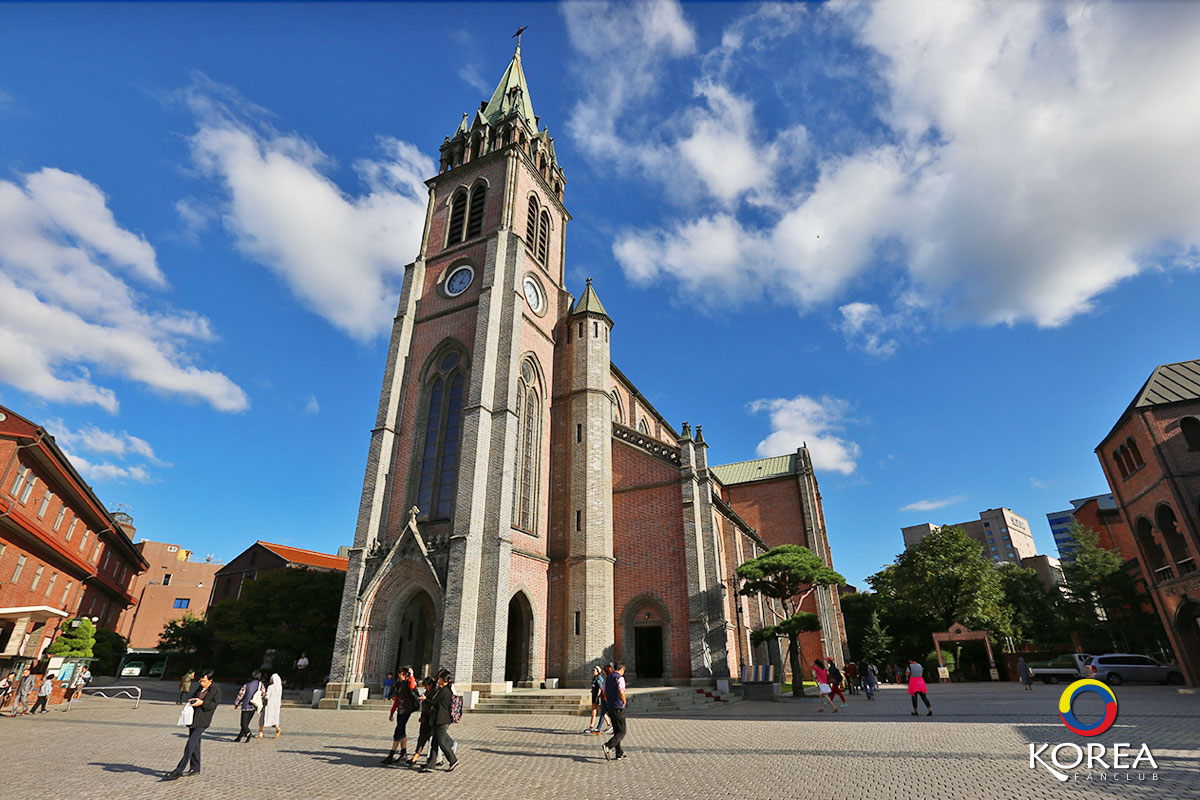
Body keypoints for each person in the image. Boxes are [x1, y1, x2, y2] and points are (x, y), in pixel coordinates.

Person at [165, 669, 220, 779]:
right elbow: (194, 697)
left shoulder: (215, 690)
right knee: (195, 743)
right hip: (193, 719)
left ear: (210, 680)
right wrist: (193, 700)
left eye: (204, 681)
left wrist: (202, 703)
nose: (201, 683)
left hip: (203, 720)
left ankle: (179, 770)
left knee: (190, 744)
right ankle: (195, 767)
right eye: (200, 681)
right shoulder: (200, 688)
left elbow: (214, 704)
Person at [420, 671, 458, 772]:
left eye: (440, 678)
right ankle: (431, 765)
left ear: (444, 680)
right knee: (435, 742)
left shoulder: (444, 691)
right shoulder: (443, 690)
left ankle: (453, 760)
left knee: (442, 742)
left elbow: (433, 702)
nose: (438, 680)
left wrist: (425, 699)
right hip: (438, 719)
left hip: (442, 719)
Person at [382, 666, 418, 764]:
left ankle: (391, 754)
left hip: (407, 710)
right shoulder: (398, 684)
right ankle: (403, 753)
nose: (402, 676)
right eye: (401, 674)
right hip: (400, 710)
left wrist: (412, 675)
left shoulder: (408, 683)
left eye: (403, 674)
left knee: (398, 731)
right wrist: (392, 712)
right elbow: (397, 700)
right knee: (402, 731)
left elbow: (412, 686)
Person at [407, 677, 438, 767]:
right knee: (423, 738)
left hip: (431, 720)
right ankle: (416, 757)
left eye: (426, 686)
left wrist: (425, 700)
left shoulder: (435, 693)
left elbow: (432, 705)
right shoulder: (427, 692)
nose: (425, 688)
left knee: (432, 741)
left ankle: (435, 759)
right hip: (425, 719)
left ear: (430, 685)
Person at [601, 662, 628, 760]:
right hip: (618, 706)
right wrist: (624, 700)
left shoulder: (607, 678)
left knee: (616, 730)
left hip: (610, 706)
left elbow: (603, 691)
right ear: (621, 670)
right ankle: (608, 745)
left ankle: (619, 753)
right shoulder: (620, 678)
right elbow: (621, 691)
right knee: (622, 731)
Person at [233, 671, 265, 742]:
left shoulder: (247, 685)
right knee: (246, 723)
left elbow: (241, 694)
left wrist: (236, 703)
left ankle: (248, 733)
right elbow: (263, 693)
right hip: (254, 705)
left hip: (246, 705)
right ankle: (239, 737)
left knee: (243, 724)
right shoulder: (260, 684)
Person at [258, 672, 283, 739]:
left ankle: (260, 732)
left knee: (262, 718)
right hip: (276, 705)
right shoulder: (279, 688)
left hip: (268, 705)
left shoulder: (270, 687)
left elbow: (267, 696)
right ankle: (277, 728)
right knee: (274, 718)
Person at [587, 665, 606, 734]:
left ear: (598, 672)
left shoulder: (599, 679)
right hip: (594, 696)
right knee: (595, 711)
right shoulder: (594, 678)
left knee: (599, 711)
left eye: (594, 670)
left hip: (597, 697)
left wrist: (598, 697)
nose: (593, 671)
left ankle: (591, 727)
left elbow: (600, 688)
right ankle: (591, 727)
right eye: (593, 670)